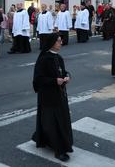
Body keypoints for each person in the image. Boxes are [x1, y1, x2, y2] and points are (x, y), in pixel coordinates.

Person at [32, 33, 73, 162]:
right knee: (53, 123)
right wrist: (54, 81)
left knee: (59, 120)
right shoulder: (44, 58)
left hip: (60, 95)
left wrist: (67, 77)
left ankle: (44, 138)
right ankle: (58, 149)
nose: (61, 43)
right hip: (48, 97)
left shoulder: (58, 57)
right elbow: (38, 79)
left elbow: (64, 71)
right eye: (58, 41)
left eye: (61, 41)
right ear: (52, 43)